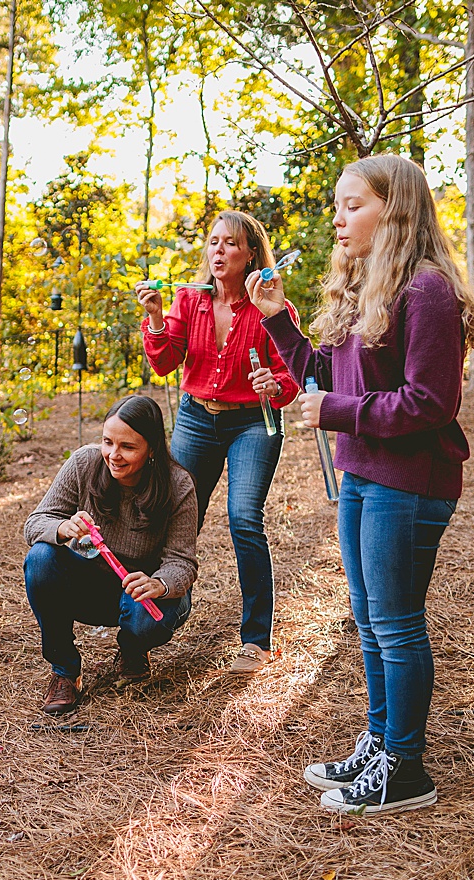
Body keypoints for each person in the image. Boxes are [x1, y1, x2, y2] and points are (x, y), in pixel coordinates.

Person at [250, 155, 474, 816]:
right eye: (338, 205)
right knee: (370, 618)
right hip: (364, 473)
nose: (338, 216)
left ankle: (405, 767)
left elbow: (429, 403)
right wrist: (278, 320)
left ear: (396, 209)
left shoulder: (428, 290)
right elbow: (326, 377)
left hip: (410, 482)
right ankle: (381, 742)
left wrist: (339, 412)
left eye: (353, 204)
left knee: (395, 621)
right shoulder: (369, 289)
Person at [136, 211, 298, 675]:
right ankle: (145, 622)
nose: (220, 250)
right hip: (196, 419)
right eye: (214, 242)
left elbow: (292, 374)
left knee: (244, 518)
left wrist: (276, 384)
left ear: (251, 253)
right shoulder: (190, 300)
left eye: (231, 243)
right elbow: (165, 364)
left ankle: (256, 641)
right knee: (175, 514)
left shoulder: (272, 307)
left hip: (254, 421)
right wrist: (154, 317)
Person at [23, 395, 199, 715]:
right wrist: (64, 528)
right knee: (40, 559)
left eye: (128, 447)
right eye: (107, 442)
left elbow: (182, 560)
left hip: (141, 594)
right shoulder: (84, 463)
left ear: (152, 449)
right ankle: (64, 670)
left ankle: (133, 648)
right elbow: (36, 523)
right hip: (90, 587)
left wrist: (159, 584)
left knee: (147, 623)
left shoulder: (177, 484)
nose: (113, 455)